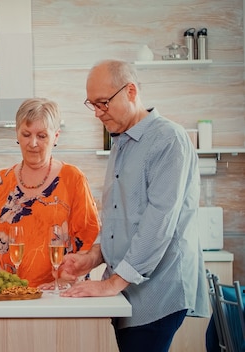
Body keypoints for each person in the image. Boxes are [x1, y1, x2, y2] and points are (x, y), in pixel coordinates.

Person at [58, 59, 210, 352]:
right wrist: (92, 258)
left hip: (157, 292)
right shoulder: (121, 143)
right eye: (93, 105)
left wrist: (111, 284)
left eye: (103, 103)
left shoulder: (168, 139)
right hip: (128, 292)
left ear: (130, 91)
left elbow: (158, 223)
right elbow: (117, 218)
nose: (98, 113)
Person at [0, 97, 100, 288]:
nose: (33, 143)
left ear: (56, 136)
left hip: (60, 294)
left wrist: (62, 281)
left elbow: (89, 239)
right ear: (17, 134)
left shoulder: (73, 178)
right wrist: (8, 285)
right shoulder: (0, 181)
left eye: (41, 136)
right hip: (11, 297)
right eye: (26, 134)